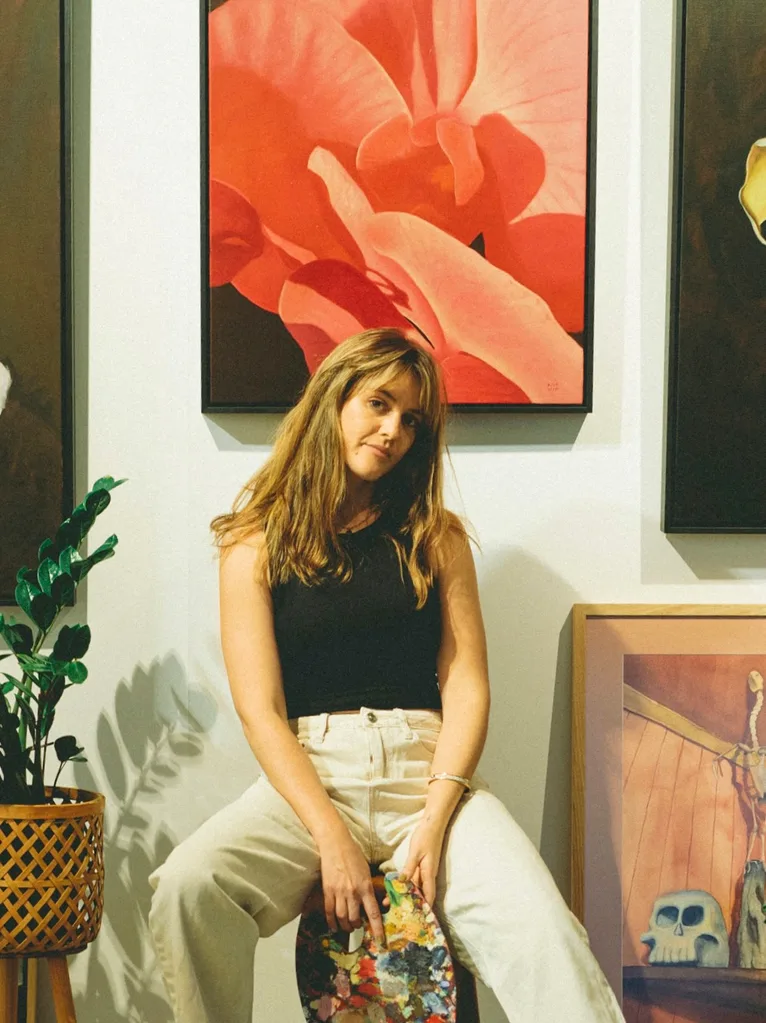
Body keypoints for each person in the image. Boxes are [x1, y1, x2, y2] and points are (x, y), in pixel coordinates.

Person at [148, 328, 624, 1023]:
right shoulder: (252, 541)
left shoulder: (436, 535)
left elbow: (466, 685)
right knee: (187, 887)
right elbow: (261, 707)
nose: (394, 429)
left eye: (412, 420)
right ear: (333, 399)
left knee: (547, 935)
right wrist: (330, 837)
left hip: (425, 774)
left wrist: (434, 817)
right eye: (378, 403)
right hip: (310, 780)